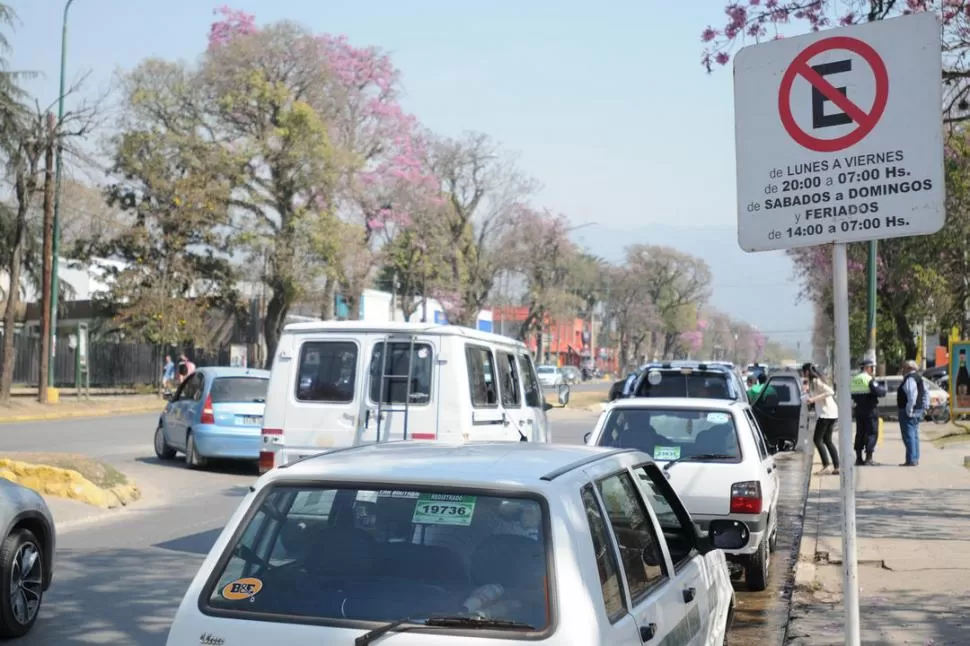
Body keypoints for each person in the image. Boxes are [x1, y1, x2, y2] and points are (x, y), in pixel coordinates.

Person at [802, 363, 839, 475]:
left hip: (826, 414)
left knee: (817, 439)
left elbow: (830, 392)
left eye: (803, 372)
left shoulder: (816, 381)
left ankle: (826, 465)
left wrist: (813, 399)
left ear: (807, 372)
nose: (803, 374)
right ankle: (837, 467)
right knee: (827, 440)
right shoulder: (814, 382)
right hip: (830, 413)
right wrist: (808, 394)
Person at [850, 358, 886, 466]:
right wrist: (883, 389)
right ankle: (869, 458)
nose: (872, 370)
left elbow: (852, 394)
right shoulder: (869, 379)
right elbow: (879, 392)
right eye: (872, 368)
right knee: (872, 433)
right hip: (870, 410)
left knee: (860, 433)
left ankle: (859, 458)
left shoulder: (854, 379)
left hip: (858, 410)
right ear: (867, 368)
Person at [897, 359, 928, 467]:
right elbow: (925, 393)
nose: (902, 370)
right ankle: (914, 458)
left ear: (909, 368)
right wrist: (924, 407)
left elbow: (912, 395)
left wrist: (909, 410)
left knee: (908, 435)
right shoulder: (919, 378)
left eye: (904, 367)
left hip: (909, 411)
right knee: (914, 435)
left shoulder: (910, 379)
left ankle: (911, 460)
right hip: (917, 410)